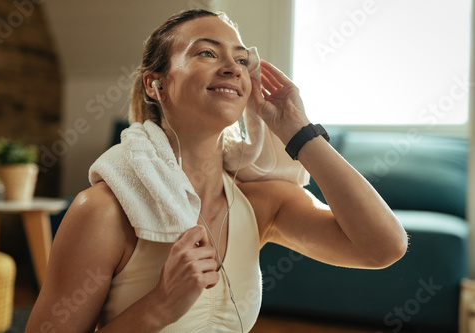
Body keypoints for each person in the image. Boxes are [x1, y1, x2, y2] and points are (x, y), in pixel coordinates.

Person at [25, 9, 408, 333]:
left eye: (242, 60)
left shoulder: (261, 204)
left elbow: (382, 247)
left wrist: (299, 131)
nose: (232, 68)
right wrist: (159, 306)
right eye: (207, 53)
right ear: (155, 85)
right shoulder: (102, 212)